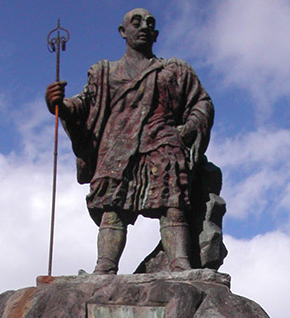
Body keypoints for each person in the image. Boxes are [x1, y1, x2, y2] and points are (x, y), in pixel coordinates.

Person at [45, 8, 214, 274]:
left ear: (156, 34)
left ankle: (180, 263)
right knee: (112, 210)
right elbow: (83, 105)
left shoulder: (175, 71)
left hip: (163, 145)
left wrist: (187, 130)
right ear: (123, 32)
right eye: (136, 23)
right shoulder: (104, 73)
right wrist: (58, 104)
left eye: (149, 23)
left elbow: (201, 102)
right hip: (117, 149)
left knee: (173, 207)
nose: (143, 26)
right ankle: (105, 265)